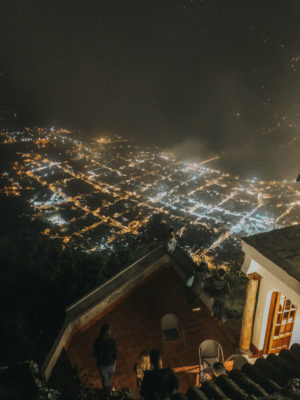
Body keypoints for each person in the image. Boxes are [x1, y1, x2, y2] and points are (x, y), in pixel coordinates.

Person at [93, 323, 117, 394]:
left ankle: (106, 388)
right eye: (110, 330)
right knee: (111, 375)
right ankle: (108, 388)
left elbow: (94, 354)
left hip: (102, 364)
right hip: (111, 363)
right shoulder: (113, 342)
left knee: (105, 378)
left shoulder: (97, 341)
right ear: (109, 332)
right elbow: (115, 356)